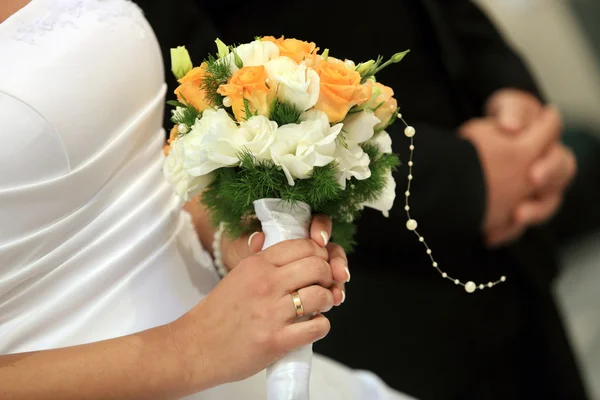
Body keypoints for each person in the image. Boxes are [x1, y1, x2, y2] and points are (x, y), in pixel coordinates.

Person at [144, 1, 600, 399]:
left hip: (512, 249)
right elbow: (194, 90)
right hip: (378, 290)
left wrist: (509, 90)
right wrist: (469, 178)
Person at [0, 1, 414, 399]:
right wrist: (190, 350)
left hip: (237, 347)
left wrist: (229, 238)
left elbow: (126, 184)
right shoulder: (195, 349)